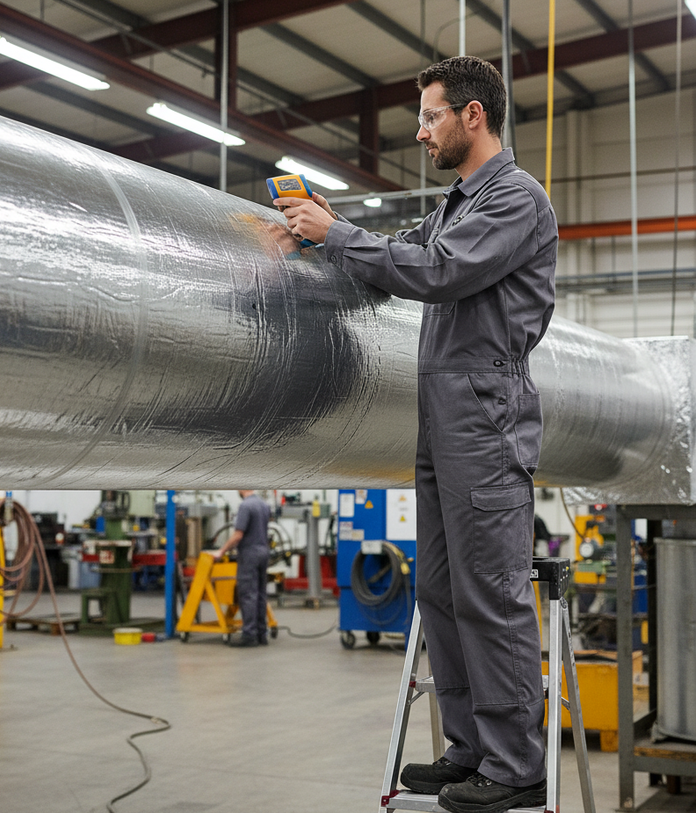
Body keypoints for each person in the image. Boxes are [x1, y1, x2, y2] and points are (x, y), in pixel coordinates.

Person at [274, 56, 556, 813]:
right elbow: (401, 249)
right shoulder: (459, 201)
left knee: (491, 593)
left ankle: (514, 764)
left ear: (473, 116)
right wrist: (329, 231)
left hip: (486, 411)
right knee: (440, 588)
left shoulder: (516, 200)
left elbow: (436, 271)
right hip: (441, 412)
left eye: (431, 115)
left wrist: (339, 236)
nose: (421, 130)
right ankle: (470, 749)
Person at [214, 490, 271, 648]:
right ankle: (261, 634)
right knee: (260, 594)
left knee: (248, 594)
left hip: (250, 554)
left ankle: (249, 635)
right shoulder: (264, 505)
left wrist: (221, 551)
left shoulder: (245, 506)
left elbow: (238, 535)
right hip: (263, 552)